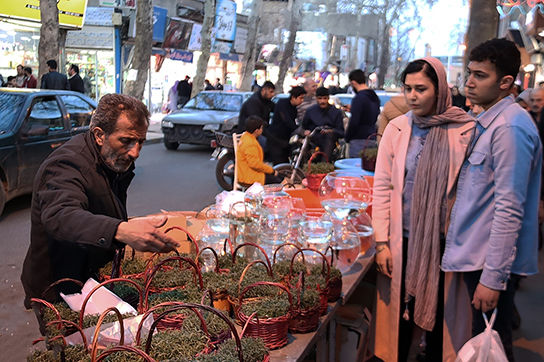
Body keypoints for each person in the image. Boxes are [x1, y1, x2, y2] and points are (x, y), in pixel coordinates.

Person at [21, 94, 179, 308]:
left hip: (90, 279)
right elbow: (61, 216)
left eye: (140, 142)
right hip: (58, 289)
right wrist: (121, 230)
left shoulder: (110, 159)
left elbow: (100, 206)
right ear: (99, 135)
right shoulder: (66, 163)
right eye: (126, 141)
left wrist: (130, 225)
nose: (136, 152)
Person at [443, 38, 542, 362]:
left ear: (505, 82)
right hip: (476, 254)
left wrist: (493, 278)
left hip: (488, 261)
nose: (469, 82)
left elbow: (509, 208)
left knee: (491, 350)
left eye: (480, 75)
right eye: (469, 73)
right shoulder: (492, 121)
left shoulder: (510, 127)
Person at [371, 57, 475, 362]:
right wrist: (381, 243)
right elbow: (382, 186)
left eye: (421, 89)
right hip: (402, 239)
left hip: (445, 242)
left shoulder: (465, 129)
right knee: (403, 316)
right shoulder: (397, 128)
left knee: (442, 318)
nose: (413, 96)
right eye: (408, 88)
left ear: (440, 89)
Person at [236, 115, 282, 187]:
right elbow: (254, 164)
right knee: (279, 182)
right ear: (256, 131)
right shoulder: (250, 144)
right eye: (261, 128)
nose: (262, 130)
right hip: (249, 177)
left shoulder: (245, 136)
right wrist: (272, 171)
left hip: (246, 173)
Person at [301, 86, 344, 161]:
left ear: (328, 98)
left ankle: (324, 164)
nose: (322, 101)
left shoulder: (336, 112)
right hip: (312, 142)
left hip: (330, 142)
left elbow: (341, 132)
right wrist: (306, 132)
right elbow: (304, 127)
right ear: (316, 98)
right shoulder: (310, 111)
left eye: (325, 98)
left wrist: (331, 131)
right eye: (320, 98)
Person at [267, 86, 307, 165]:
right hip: (276, 138)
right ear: (293, 97)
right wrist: (300, 131)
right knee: (279, 163)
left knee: (286, 163)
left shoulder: (294, 109)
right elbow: (287, 121)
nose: (302, 101)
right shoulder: (282, 103)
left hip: (285, 139)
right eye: (300, 98)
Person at [345, 69, 380, 158]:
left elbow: (354, 122)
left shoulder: (358, 98)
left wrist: (347, 137)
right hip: (372, 138)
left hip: (358, 140)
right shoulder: (374, 97)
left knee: (356, 168)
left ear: (353, 82)